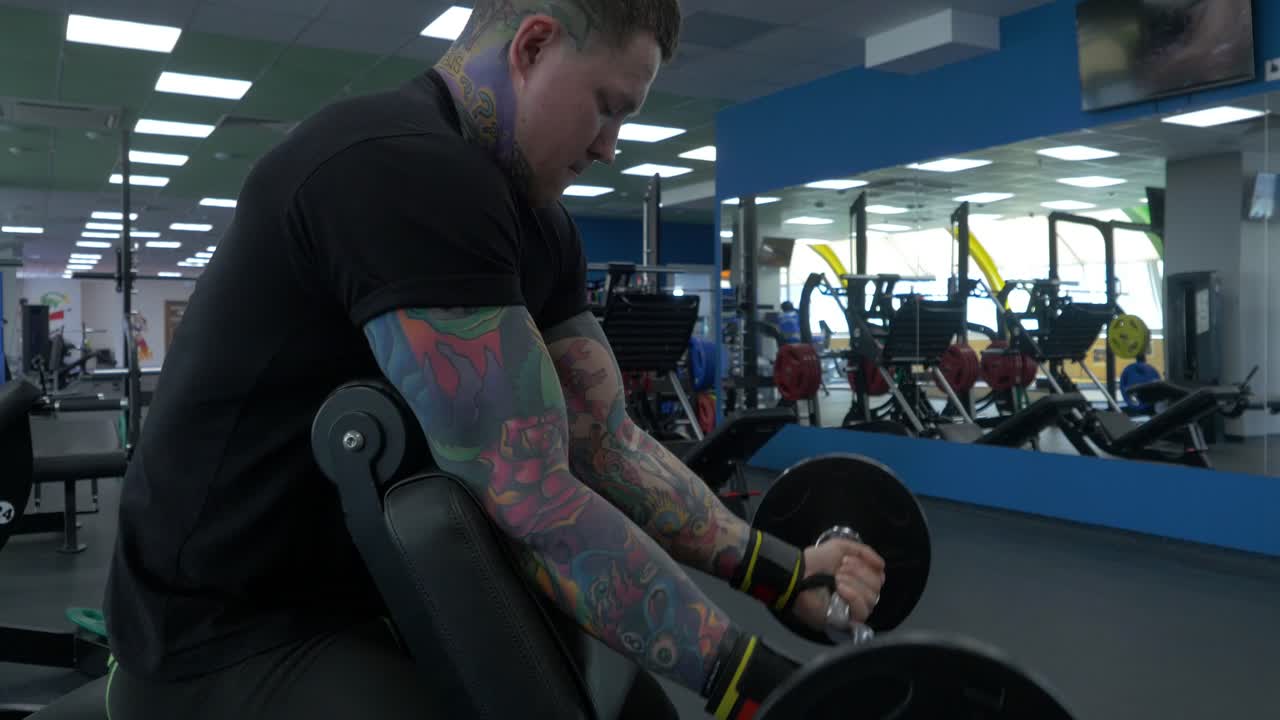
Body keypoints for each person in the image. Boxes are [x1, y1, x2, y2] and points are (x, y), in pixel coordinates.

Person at [103, 2, 887, 718]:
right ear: (533, 46)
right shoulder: (397, 164)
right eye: (607, 106)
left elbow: (607, 442)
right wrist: (762, 687)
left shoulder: (537, 220)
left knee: (629, 708)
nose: (610, 145)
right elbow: (531, 497)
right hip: (222, 633)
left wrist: (785, 573)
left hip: (376, 591)